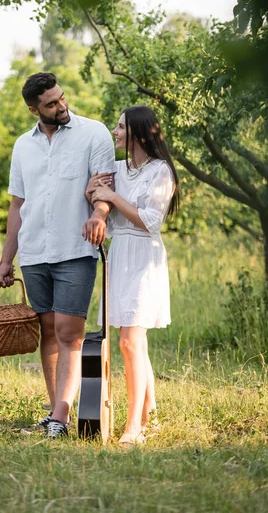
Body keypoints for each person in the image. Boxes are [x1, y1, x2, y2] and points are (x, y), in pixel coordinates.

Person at [0, 72, 115, 439]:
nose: (61, 106)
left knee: (69, 334)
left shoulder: (94, 133)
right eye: (51, 103)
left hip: (75, 250)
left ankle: (61, 417)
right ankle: (55, 413)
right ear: (34, 109)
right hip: (33, 252)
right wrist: (5, 259)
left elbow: (104, 186)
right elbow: (18, 204)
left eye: (61, 98)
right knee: (47, 332)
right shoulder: (22, 146)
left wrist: (99, 214)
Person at [85, 105, 180, 447]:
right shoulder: (115, 169)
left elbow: (151, 221)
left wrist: (111, 196)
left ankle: (133, 428)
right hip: (118, 255)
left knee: (128, 341)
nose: (115, 132)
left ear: (139, 133)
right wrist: (95, 195)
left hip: (144, 257)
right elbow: (103, 208)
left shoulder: (161, 171)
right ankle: (149, 412)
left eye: (121, 127)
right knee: (132, 341)